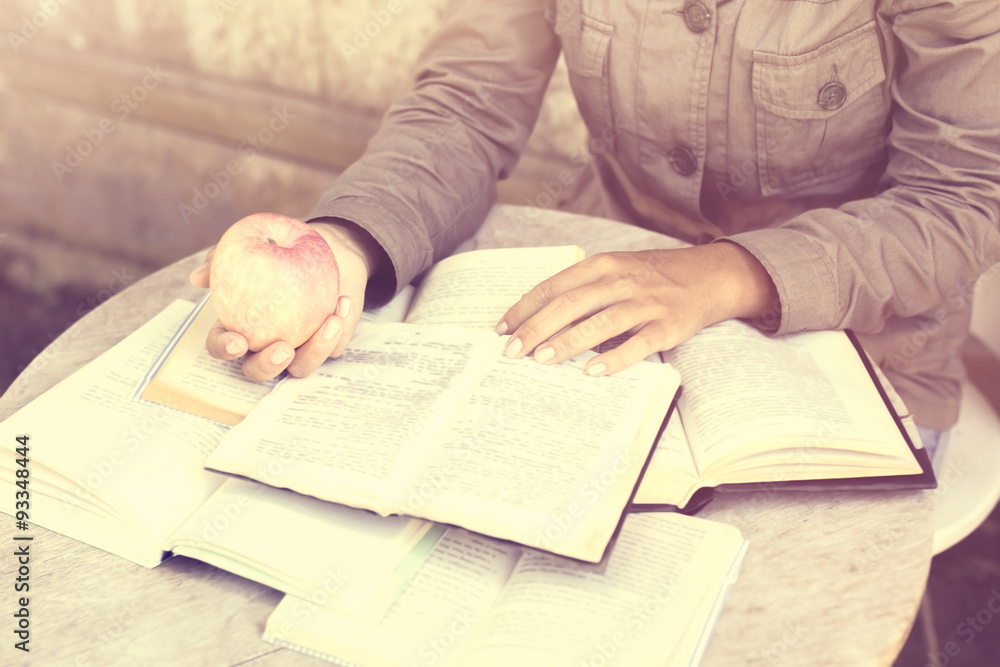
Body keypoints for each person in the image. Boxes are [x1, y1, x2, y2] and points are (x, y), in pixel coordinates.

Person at [190, 0, 1000, 464]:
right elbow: (468, 105)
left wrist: (721, 276)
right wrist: (348, 246)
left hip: (859, 348)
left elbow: (965, 193)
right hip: (601, 311)